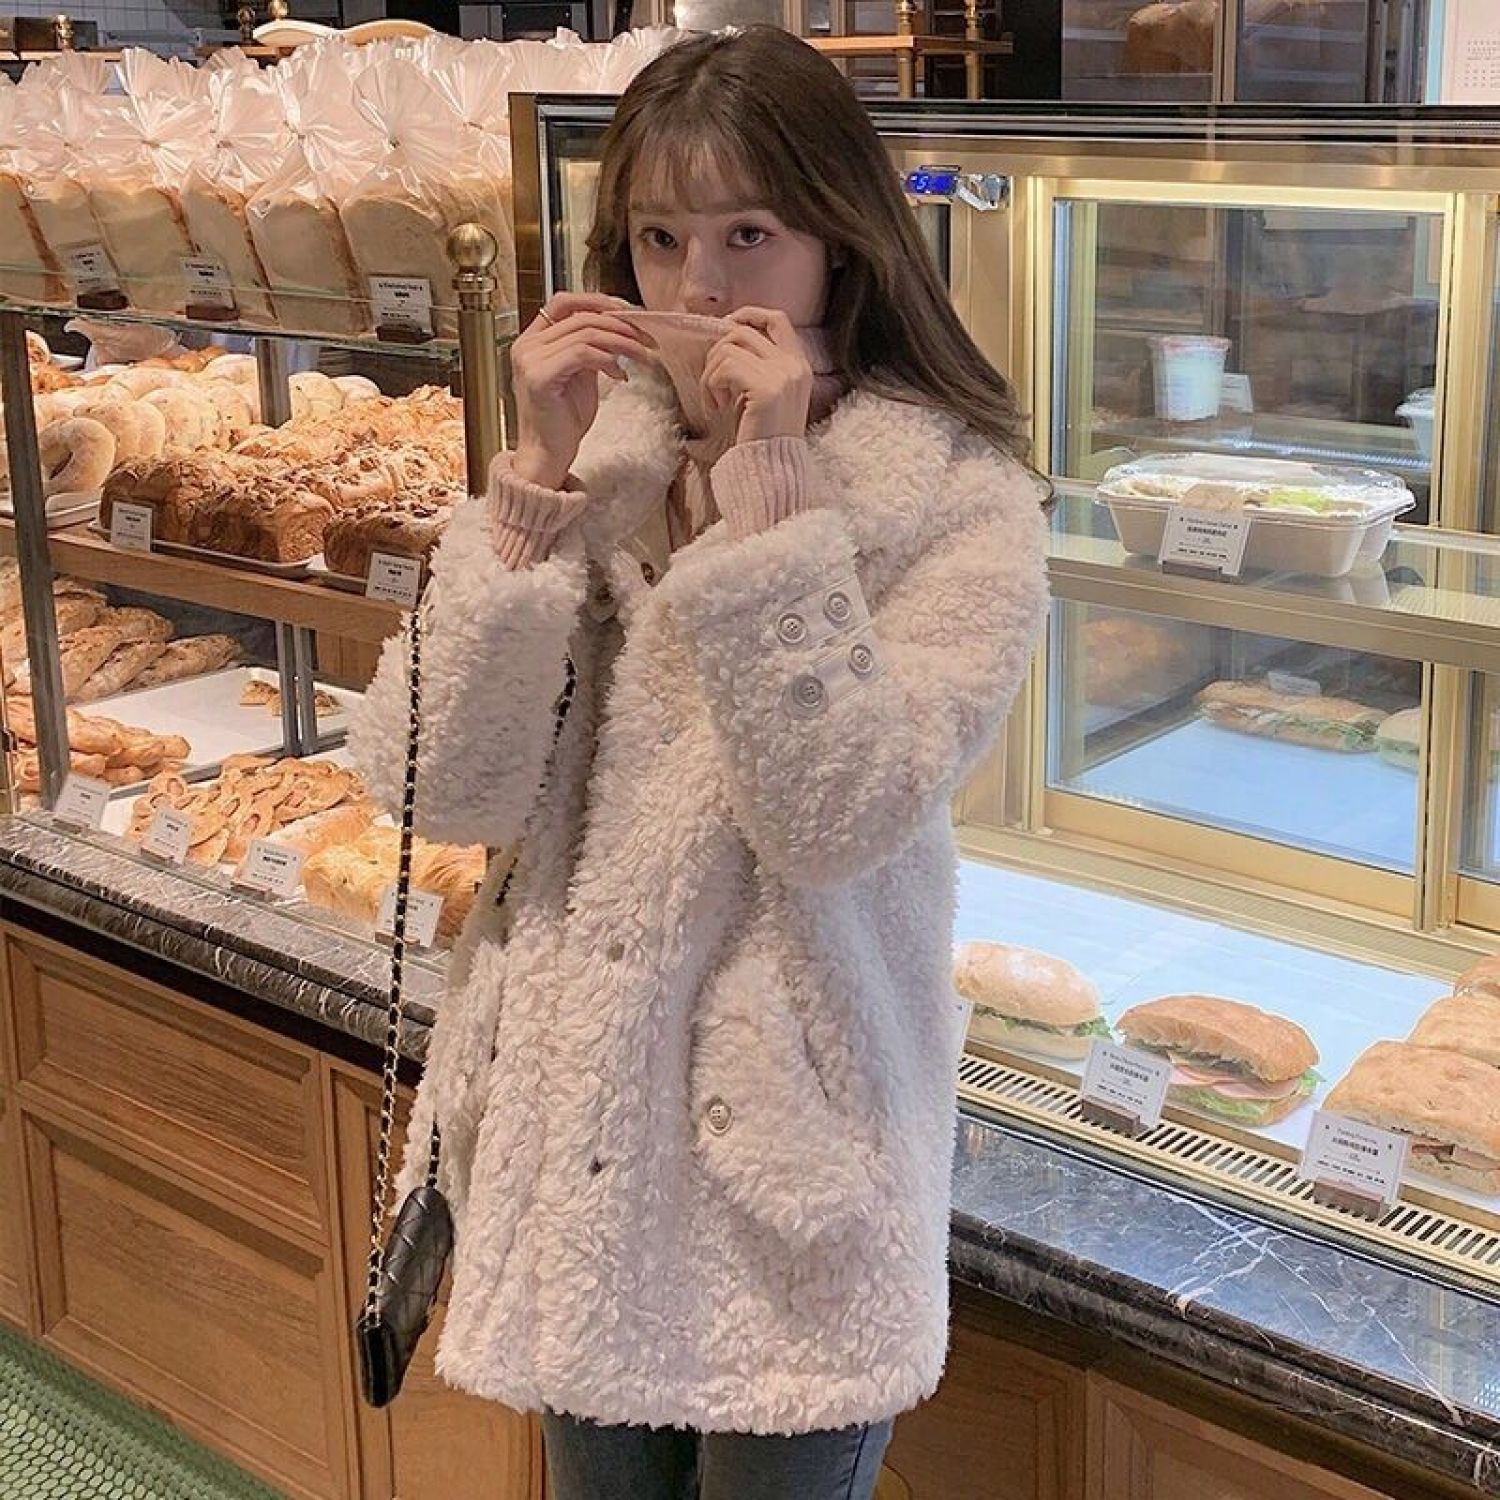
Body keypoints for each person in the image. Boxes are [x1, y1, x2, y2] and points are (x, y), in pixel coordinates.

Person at [349, 26, 1050, 1500]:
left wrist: (773, 505)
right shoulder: (596, 470)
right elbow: (438, 790)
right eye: (659, 239)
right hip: (580, 1139)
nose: (699, 288)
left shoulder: (958, 504)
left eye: (749, 235)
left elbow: (837, 817)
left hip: (790, 1161)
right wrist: (534, 483)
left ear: (839, 244)